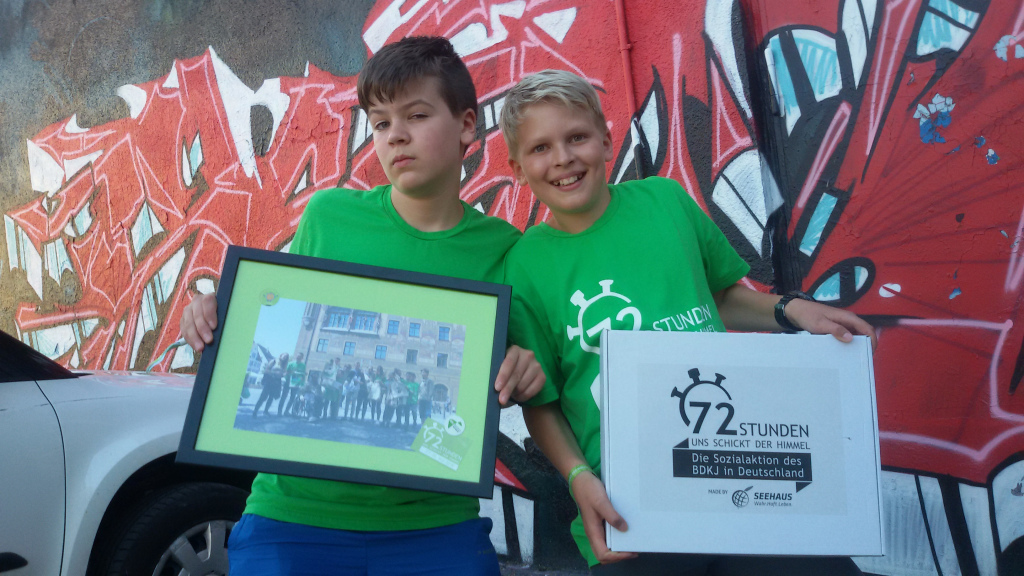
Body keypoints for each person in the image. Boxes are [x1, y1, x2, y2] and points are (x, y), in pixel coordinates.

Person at [179, 36, 545, 575]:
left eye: (416, 115)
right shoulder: (328, 217)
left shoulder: (505, 249)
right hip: (293, 514)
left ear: (467, 124)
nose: (396, 135)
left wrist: (526, 368)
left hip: (435, 523)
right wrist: (219, 313)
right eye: (379, 123)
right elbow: (281, 311)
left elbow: (523, 368)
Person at [498, 69, 877, 575]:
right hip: (629, 506)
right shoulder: (525, 266)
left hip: (738, 473)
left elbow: (718, 297)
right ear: (518, 168)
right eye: (541, 148)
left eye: (577, 137)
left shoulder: (666, 202)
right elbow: (540, 403)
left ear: (606, 141)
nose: (563, 158)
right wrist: (578, 477)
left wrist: (791, 311)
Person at [282, 352, 306, 416]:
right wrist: (291, 373)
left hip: (296, 383)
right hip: (288, 381)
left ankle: (286, 411)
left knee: (292, 398)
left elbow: (303, 375)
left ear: (302, 358)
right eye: (297, 356)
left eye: (300, 357)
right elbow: (286, 372)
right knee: (283, 397)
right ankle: (279, 411)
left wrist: (302, 384)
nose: (298, 357)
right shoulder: (290, 363)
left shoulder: (303, 365)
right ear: (296, 356)